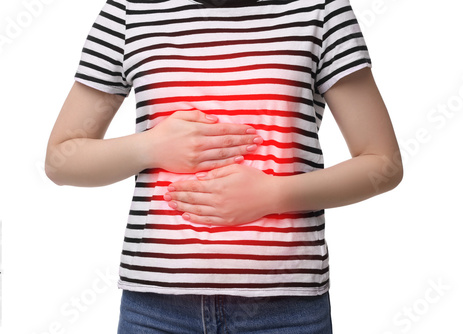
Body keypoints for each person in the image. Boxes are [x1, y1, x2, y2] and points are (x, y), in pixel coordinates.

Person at [45, 0, 403, 332]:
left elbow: (382, 163)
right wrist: (151, 146)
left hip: (287, 312)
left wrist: (274, 195)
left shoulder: (319, 8)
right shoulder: (129, 9)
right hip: (154, 311)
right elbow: (62, 160)